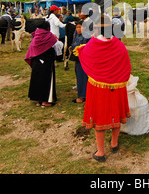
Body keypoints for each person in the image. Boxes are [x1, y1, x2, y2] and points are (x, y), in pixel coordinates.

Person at [74, 14, 131, 162]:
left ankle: (100, 152)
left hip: (98, 88)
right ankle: (114, 143)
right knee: (115, 114)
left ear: (97, 28)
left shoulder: (93, 44)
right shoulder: (119, 44)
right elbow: (126, 64)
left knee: (99, 118)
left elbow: (84, 56)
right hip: (116, 88)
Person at [25, 21, 63, 107]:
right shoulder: (49, 36)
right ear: (48, 28)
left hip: (36, 63)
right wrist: (57, 40)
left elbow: (31, 51)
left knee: (37, 80)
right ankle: (47, 101)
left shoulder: (35, 37)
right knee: (47, 80)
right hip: (47, 62)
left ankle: (38, 100)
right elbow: (58, 47)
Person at [71, 21, 90, 103]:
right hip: (78, 60)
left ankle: (83, 96)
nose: (78, 29)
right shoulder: (77, 36)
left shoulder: (87, 37)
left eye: (80, 27)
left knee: (83, 77)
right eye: (77, 27)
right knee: (79, 76)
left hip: (84, 61)